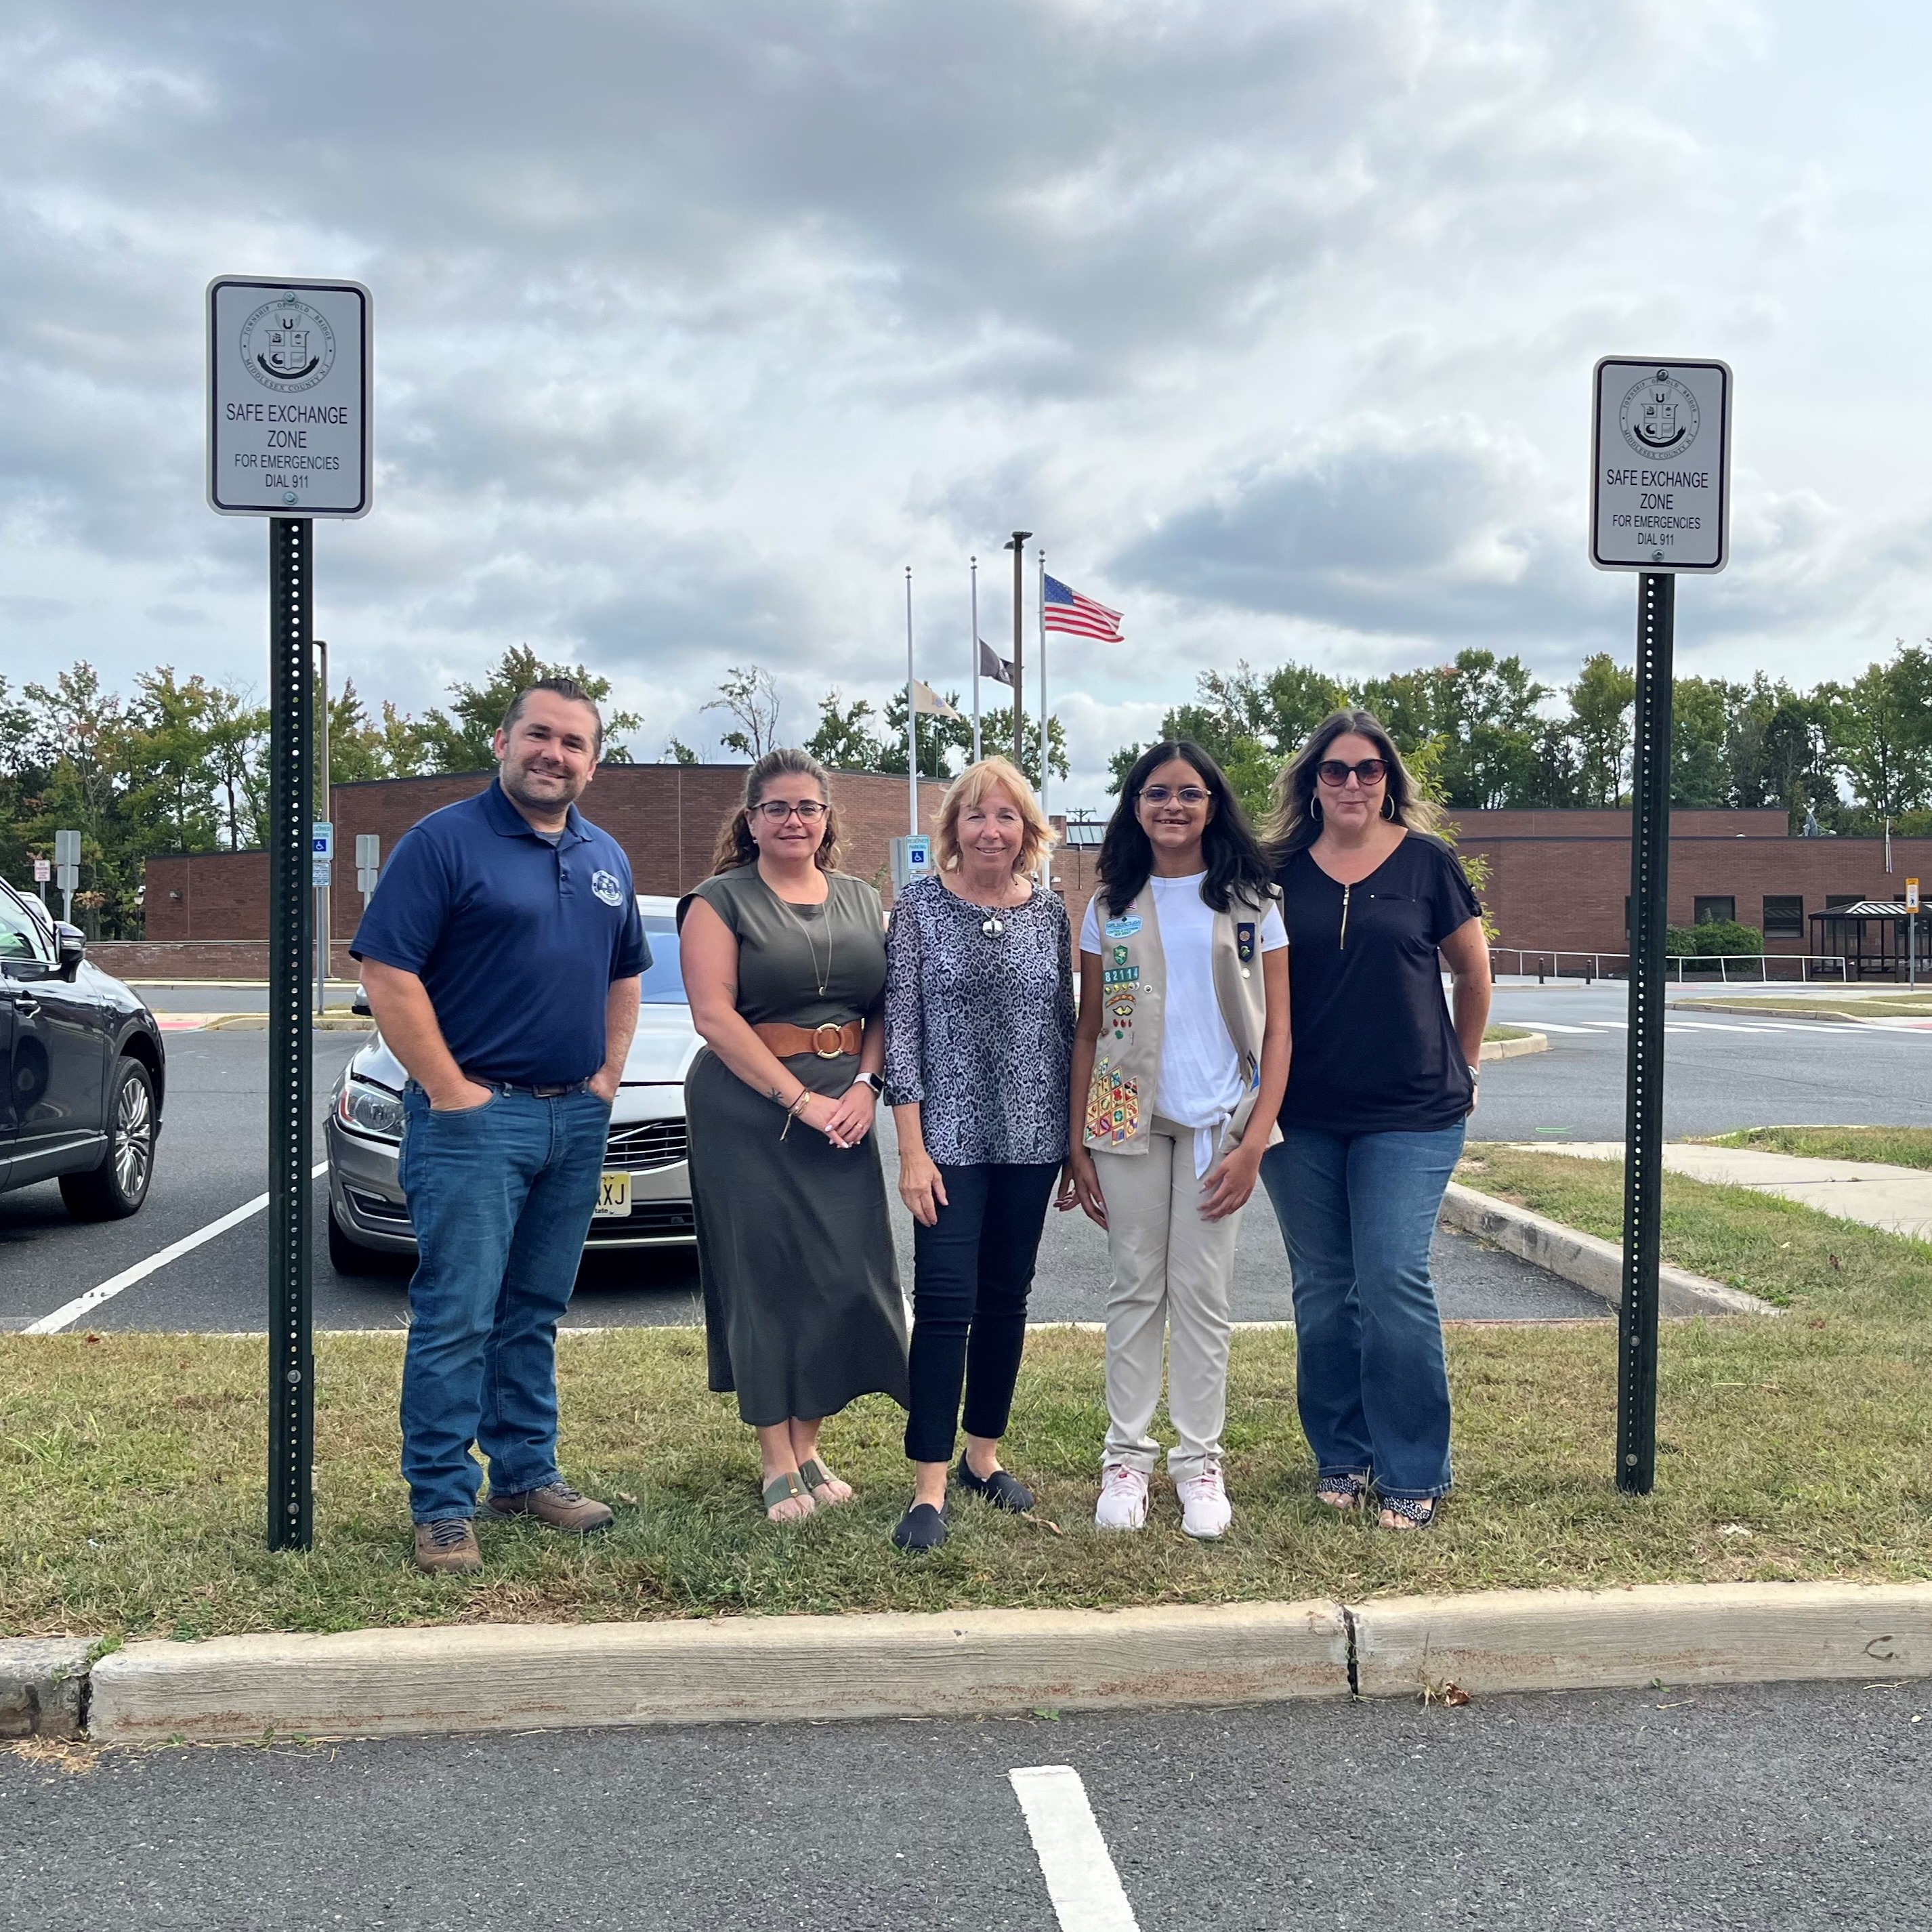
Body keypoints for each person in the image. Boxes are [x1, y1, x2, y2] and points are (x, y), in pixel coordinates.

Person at [353, 679, 645, 1574]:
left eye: (574, 744)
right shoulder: (444, 842)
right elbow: (386, 969)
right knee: (458, 1316)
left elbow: (624, 971)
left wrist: (606, 1076)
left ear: (593, 763)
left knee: (534, 1311)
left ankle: (525, 1474)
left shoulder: (607, 857)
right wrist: (448, 1089)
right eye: (540, 736)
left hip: (573, 1120)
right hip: (473, 1119)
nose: (554, 755)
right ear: (502, 740)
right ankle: (442, 1503)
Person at [1259, 709, 1492, 1531]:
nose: (1351, 783)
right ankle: (1340, 1451)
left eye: (1366, 769)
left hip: (1411, 1112)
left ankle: (1413, 1466)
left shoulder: (1427, 864)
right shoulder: (1277, 870)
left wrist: (1461, 1065)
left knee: (1392, 1278)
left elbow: (1471, 972)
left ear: (1388, 778)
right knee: (1324, 1288)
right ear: (1310, 782)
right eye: (1334, 770)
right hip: (1301, 1115)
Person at [1063, 740, 1290, 1540]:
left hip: (1219, 1123)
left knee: (1201, 1296)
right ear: (1133, 805)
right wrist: (1076, 1140)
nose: (1171, 806)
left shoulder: (1253, 900)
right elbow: (1088, 1029)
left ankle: (1199, 1463)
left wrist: (1255, 1139)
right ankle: (1125, 1458)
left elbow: (1280, 1033)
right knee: (1134, 1286)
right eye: (1155, 793)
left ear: (1211, 804)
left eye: (1188, 794)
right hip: (1126, 1118)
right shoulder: (1108, 905)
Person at [677, 747, 908, 1522]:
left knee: (843, 1277)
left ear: (827, 818)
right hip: (749, 1110)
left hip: (844, 1110)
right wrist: (798, 1101)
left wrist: (866, 1087)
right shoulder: (718, 900)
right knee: (768, 1281)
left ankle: (807, 1444)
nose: (792, 819)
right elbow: (714, 1016)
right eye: (775, 807)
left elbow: (885, 1006)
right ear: (750, 821)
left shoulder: (859, 898)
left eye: (807, 806)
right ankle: (777, 1459)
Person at [883, 757, 1074, 1552]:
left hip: (1032, 1140)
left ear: (1027, 830)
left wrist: (1073, 1146)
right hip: (949, 1142)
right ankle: (928, 1483)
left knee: (1007, 1298)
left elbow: (1066, 1029)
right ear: (952, 828)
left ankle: (981, 1456)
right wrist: (912, 1152)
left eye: (1005, 816)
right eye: (975, 815)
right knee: (945, 1300)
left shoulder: (1052, 914)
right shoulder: (920, 908)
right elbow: (901, 1031)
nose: (990, 829)